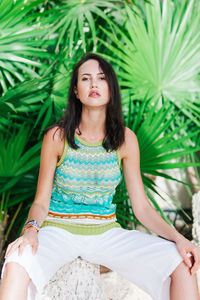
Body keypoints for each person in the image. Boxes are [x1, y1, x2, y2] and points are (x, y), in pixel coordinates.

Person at [0, 53, 200, 300]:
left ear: (111, 88)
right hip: (59, 231)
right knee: (16, 262)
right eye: (86, 78)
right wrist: (30, 230)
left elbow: (142, 208)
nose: (94, 84)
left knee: (181, 263)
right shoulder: (57, 137)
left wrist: (180, 240)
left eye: (101, 78)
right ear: (76, 91)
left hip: (106, 233)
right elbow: (41, 201)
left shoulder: (126, 140)